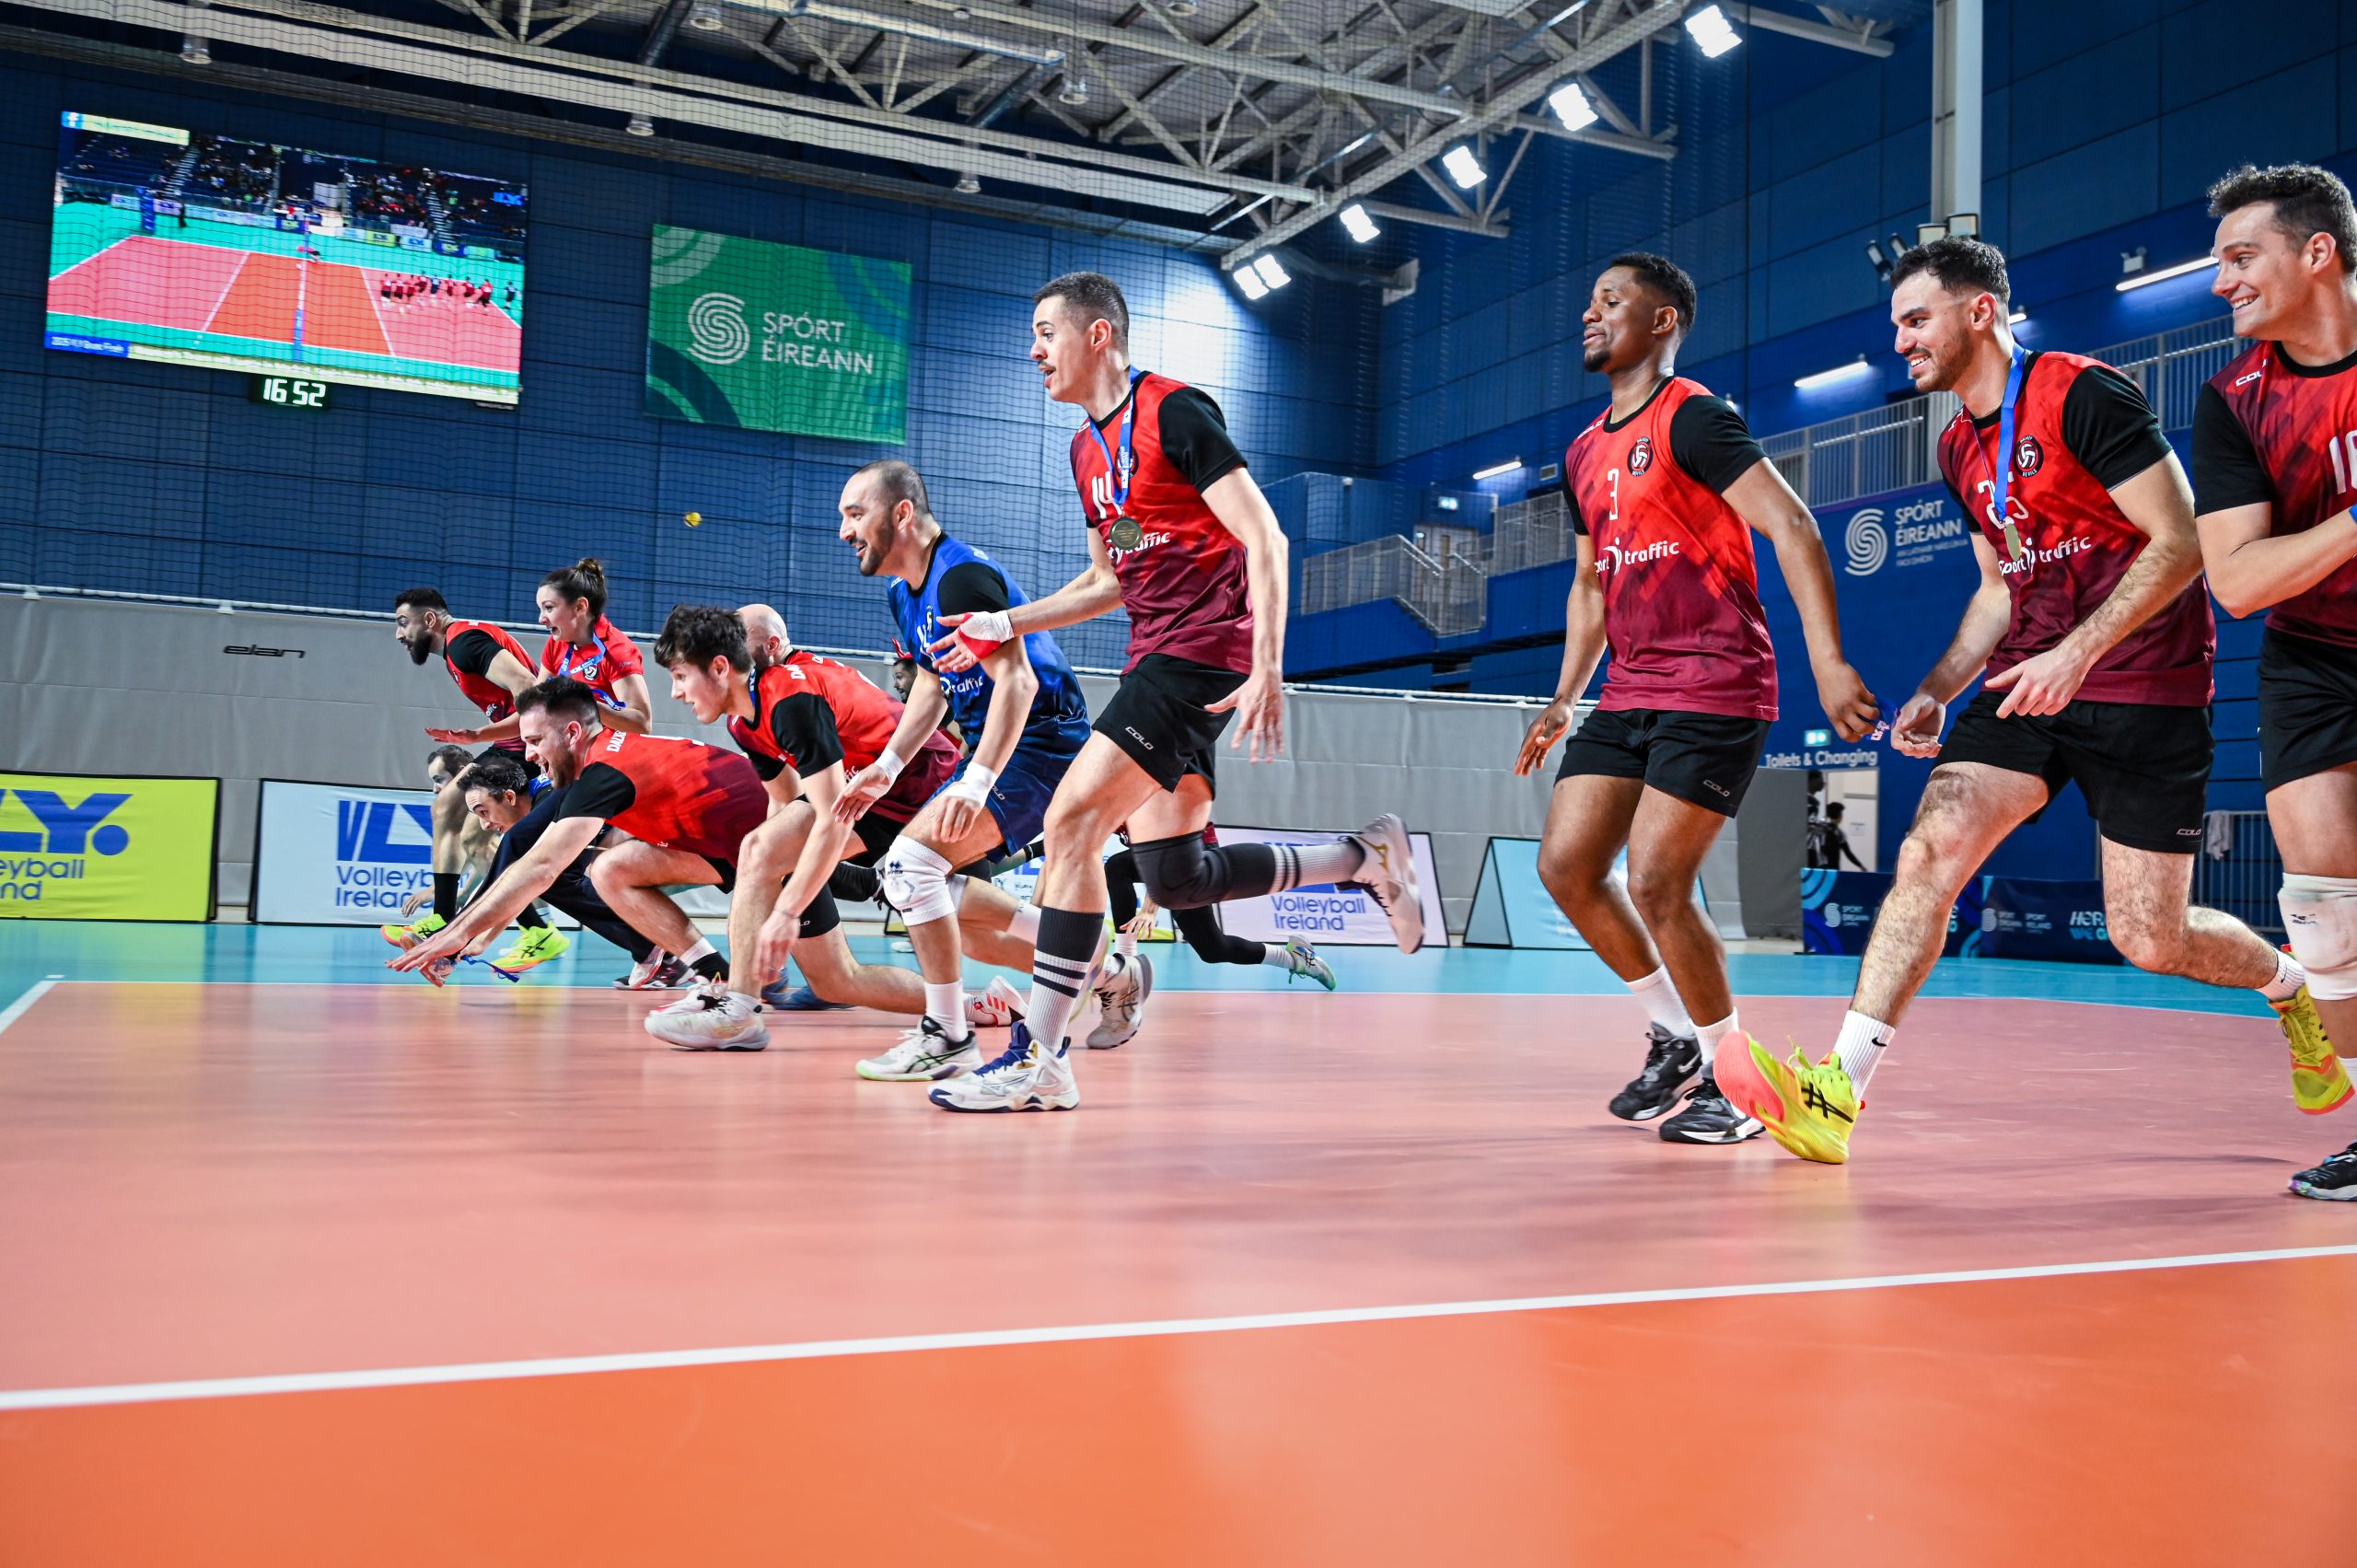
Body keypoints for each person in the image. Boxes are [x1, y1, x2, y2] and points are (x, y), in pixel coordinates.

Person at [1719, 235, 2327, 1167]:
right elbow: (1999, 588)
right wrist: (1936, 689)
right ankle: (1837, 1090)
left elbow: (2181, 541)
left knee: (2148, 937)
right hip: (2024, 685)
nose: (1901, 341)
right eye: (1896, 324)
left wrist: (2078, 653)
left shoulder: (2082, 393)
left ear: (1980, 311)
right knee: (1929, 849)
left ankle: (2290, 986)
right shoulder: (1956, 444)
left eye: (1916, 319)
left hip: (2145, 685)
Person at [921, 271, 1422, 1113]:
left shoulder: (1176, 413)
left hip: (1203, 653)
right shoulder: (1085, 451)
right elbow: (1107, 582)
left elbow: (1265, 536)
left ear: (1098, 335)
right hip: (1154, 653)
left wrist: (1268, 664)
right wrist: (1004, 621)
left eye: (1045, 331)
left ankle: (1040, 1055)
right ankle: (1360, 856)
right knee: (1178, 876)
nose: (1033, 350)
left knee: (1071, 824)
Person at [1512, 253, 1880, 1146]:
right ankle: (1676, 1034)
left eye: (1610, 300)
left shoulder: (1695, 419)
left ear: (1663, 319)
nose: (1590, 313)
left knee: (1657, 880)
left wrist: (1828, 662)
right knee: (1566, 866)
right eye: (1589, 300)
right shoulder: (1581, 450)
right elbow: (1591, 584)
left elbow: (1792, 524)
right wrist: (1564, 697)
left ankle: (1735, 1082)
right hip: (1628, 688)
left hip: (1716, 682)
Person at [829, 459, 1120, 1081]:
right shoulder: (902, 591)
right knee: (954, 916)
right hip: (996, 743)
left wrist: (978, 780)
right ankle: (1096, 956)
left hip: (1041, 742)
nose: (845, 530)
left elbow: (1018, 682)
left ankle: (948, 1036)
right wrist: (888, 764)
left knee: (909, 866)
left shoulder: (960, 579)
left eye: (855, 514)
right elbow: (932, 681)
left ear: (901, 512)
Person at [2190, 162, 2357, 1199]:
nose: (2223, 282)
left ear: (2317, 253)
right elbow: (2241, 582)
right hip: (2314, 655)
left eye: (2241, 257)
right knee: (2323, 903)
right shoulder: (2235, 400)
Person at [639, 605, 1014, 1051]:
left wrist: (784, 913)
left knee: (974, 931)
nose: (676, 692)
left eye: (680, 677)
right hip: (867, 789)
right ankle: (978, 1006)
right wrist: (761, 892)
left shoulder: (790, 699)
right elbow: (783, 802)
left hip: (920, 782)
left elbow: (832, 818)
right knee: (834, 979)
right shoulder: (743, 720)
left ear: (721, 666)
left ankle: (738, 1008)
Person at [389, 678, 766, 1011]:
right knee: (609, 868)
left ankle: (730, 981)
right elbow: (525, 867)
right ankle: (714, 974)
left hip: (770, 843)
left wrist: (458, 934)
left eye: (535, 741)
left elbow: (539, 867)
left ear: (572, 733)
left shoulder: (601, 774)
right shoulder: (600, 761)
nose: (530, 755)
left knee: (813, 982)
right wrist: (468, 934)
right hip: (727, 844)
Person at [386, 587, 545, 952]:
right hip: (509, 744)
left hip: (523, 746)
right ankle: (532, 930)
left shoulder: (464, 643)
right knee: (469, 834)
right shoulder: (458, 648)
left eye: (403, 623)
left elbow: (526, 684)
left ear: (429, 620)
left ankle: (449, 918)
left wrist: (531, 742)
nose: (399, 634)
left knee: (453, 815)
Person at [453, 750, 691, 989]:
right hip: (653, 839)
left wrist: (470, 936)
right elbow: (516, 884)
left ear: (509, 797)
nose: (484, 825)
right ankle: (665, 957)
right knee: (550, 879)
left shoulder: (550, 804)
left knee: (554, 879)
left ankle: (660, 950)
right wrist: (483, 939)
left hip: (681, 831)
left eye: (484, 812)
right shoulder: (541, 804)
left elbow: (519, 884)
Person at [1094, 821, 1337, 1050]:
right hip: (1162, 856)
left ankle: (1126, 969)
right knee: (1213, 949)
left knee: (1118, 867)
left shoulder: (1140, 798)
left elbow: (1168, 849)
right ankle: (1294, 958)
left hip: (1192, 854)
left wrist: (1149, 909)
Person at [532, 560, 653, 733]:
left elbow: (641, 725)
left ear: (580, 607)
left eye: (549, 608)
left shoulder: (617, 650)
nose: (541, 619)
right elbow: (536, 703)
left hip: (609, 748)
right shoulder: (556, 643)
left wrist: (583, 704)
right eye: (541, 609)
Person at [1805, 802, 1868, 872]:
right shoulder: (1839, 833)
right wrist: (1860, 865)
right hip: (1834, 870)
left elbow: (1809, 846)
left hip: (1819, 868)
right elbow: (1848, 853)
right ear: (1840, 816)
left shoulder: (1819, 829)